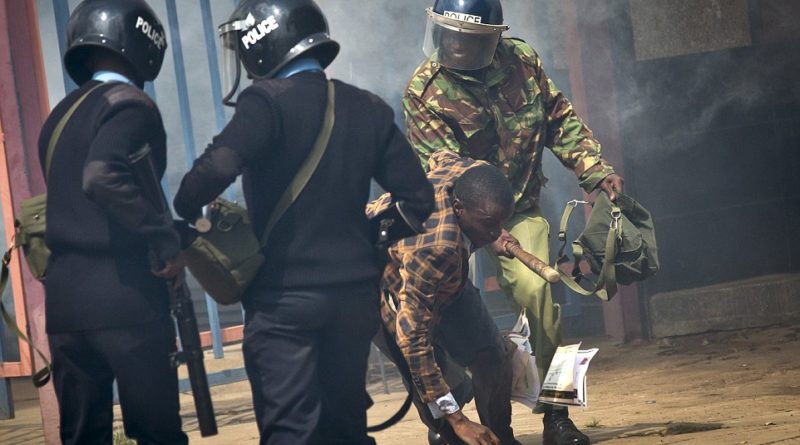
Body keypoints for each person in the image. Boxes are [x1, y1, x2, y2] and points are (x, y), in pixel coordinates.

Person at [172, 1, 434, 444]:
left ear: (261, 44)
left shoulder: (264, 102)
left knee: (292, 431)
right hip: (353, 300)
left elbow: (209, 176)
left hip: (284, 300)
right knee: (346, 427)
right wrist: (367, 239)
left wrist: (190, 207)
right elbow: (417, 200)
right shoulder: (366, 106)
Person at [402, 1, 626, 443]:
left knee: (541, 296)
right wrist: (487, 233)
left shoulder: (522, 61)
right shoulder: (423, 91)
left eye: (467, 37)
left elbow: (559, 118)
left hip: (516, 205)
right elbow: (446, 172)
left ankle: (558, 414)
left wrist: (594, 170)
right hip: (454, 218)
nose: (455, 44)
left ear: (492, 38)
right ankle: (449, 418)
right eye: (447, 34)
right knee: (431, 311)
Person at [39, 1, 187, 444]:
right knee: (157, 433)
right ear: (143, 45)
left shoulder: (59, 117)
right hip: (125, 300)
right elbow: (101, 177)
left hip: (66, 305)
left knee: (83, 437)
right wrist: (164, 239)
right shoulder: (130, 106)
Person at [369, 150, 524, 445]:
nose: (494, 233)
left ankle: (500, 437)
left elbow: (440, 156)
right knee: (443, 402)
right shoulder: (436, 248)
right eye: (488, 224)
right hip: (378, 285)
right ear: (458, 207)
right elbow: (413, 339)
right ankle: (449, 429)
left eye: (500, 223)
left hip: (447, 281)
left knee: (491, 354)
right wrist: (458, 420)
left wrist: (494, 231)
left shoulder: (474, 171)